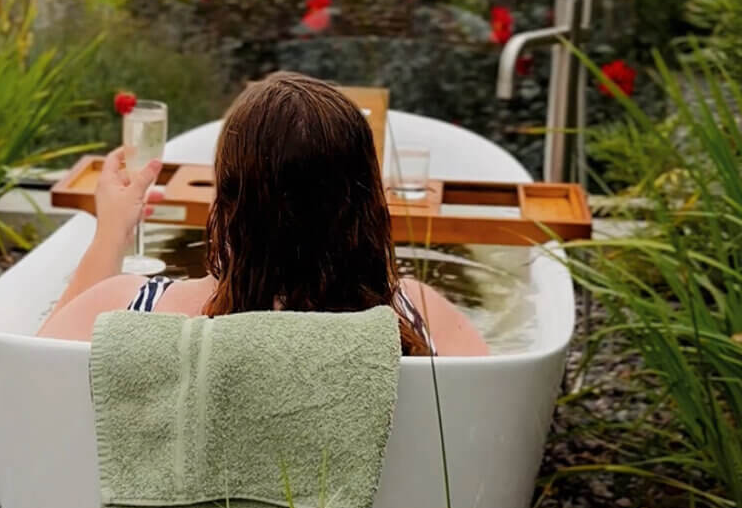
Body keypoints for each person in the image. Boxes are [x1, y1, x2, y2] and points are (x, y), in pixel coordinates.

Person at [39, 72, 488, 356]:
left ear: (228, 200)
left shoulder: (129, 308)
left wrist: (112, 232)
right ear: (367, 201)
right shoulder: (418, 318)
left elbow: (32, 368)